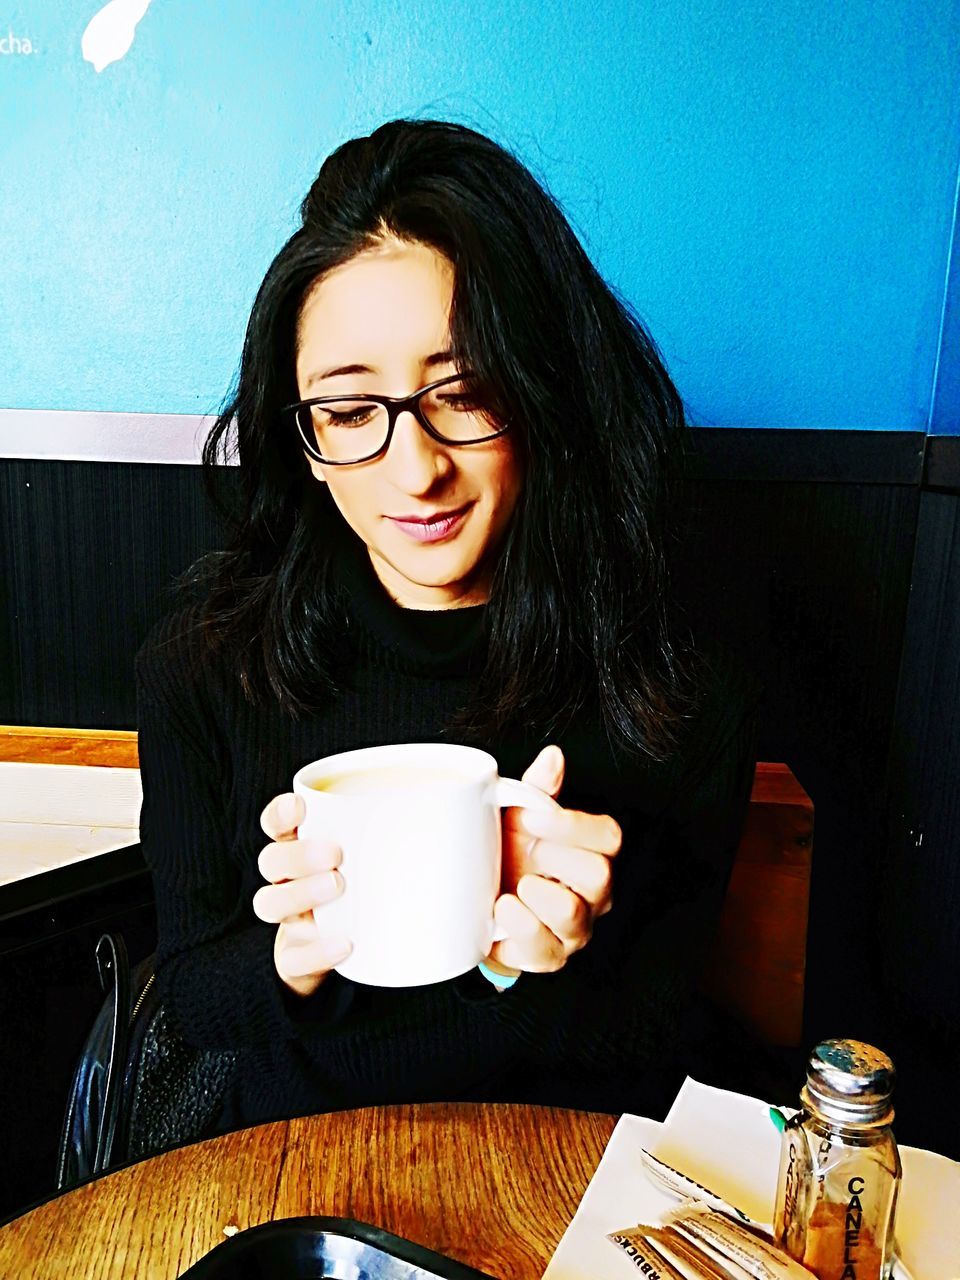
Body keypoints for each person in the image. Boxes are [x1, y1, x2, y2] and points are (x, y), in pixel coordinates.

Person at [136, 118, 760, 1134]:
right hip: (293, 1166)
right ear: (299, 429)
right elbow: (199, 1000)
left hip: (571, 1178)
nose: (415, 466)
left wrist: (527, 959)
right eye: (347, 411)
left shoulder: (672, 672)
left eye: (464, 391)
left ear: (547, 386)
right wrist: (298, 945)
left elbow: (656, 1033)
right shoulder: (206, 665)